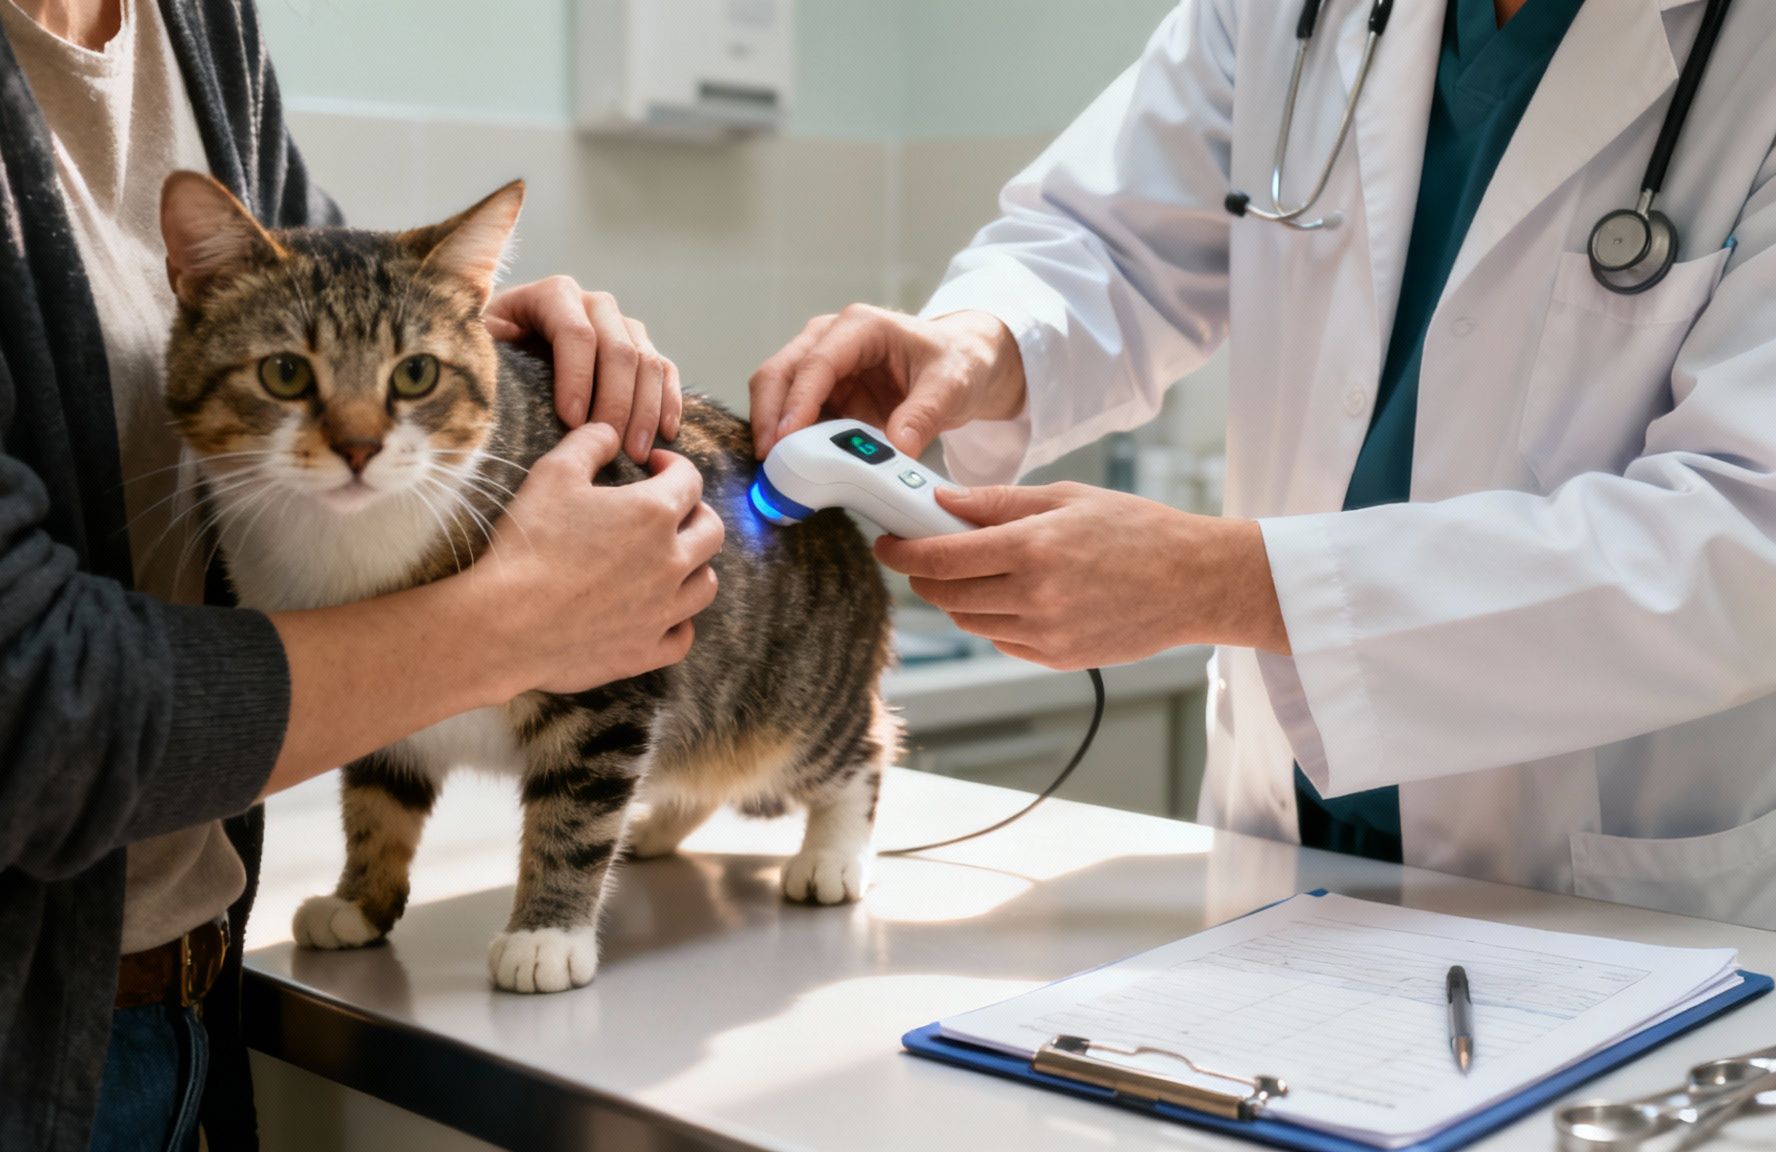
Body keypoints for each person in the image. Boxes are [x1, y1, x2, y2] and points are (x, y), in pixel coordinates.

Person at [0, 0, 721, 1149]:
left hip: (198, 1000)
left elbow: (313, 298)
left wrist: (470, 336)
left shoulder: (191, 20)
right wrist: (508, 628)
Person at [752, 0, 1776, 929]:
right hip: (1283, 841)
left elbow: (1741, 532)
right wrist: (983, 341)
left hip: (1600, 885)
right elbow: (1107, 240)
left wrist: (1232, 584)